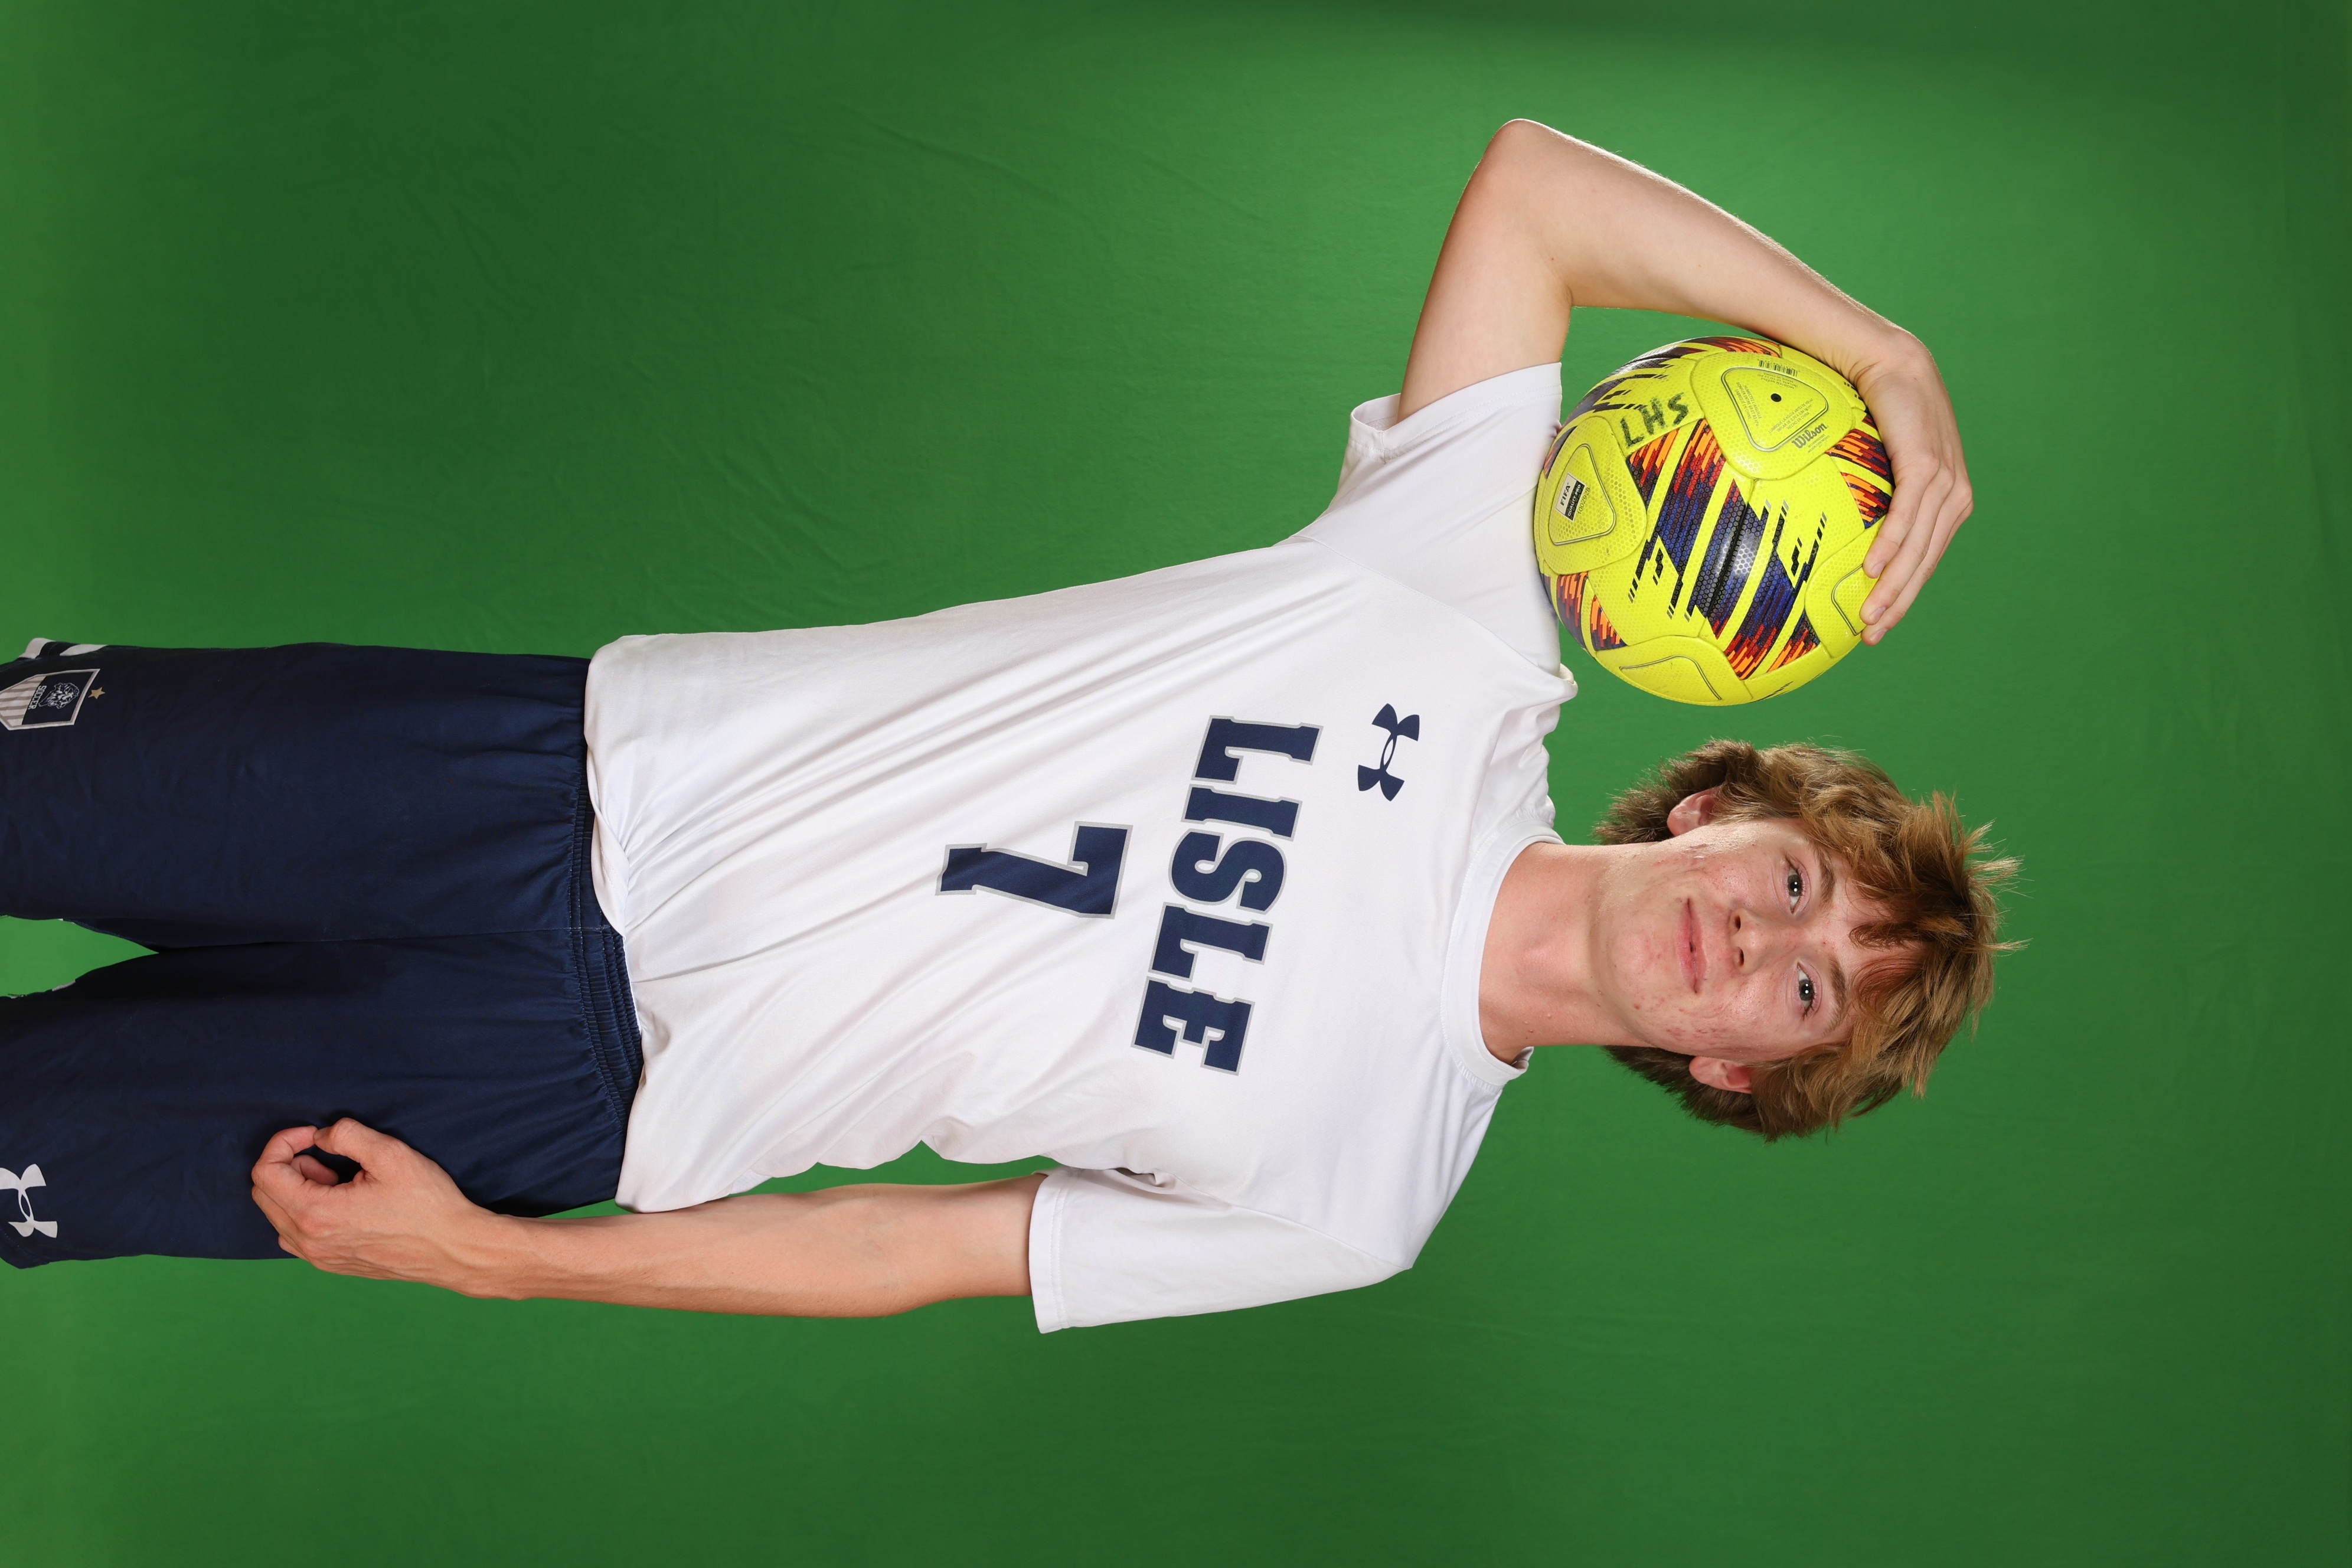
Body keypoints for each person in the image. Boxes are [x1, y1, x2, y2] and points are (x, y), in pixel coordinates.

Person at [0, 120, 2003, 1328]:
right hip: (540, 782)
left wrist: (496, 1261)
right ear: (1719, 801)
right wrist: (1885, 355)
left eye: (1810, 992)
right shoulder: (1464, 626)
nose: (1766, 940)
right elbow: (1541, 194)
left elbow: (902, 1249)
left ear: (1736, 1071)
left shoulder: (1362, 1199)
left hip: (560, 1085)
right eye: (1802, 885)